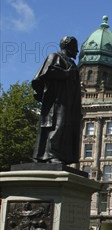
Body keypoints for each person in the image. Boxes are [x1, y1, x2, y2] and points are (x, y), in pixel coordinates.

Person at [31, 36, 82, 164]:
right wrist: (65, 74)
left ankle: (60, 155)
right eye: (75, 47)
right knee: (58, 125)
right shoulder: (54, 56)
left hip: (69, 101)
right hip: (57, 100)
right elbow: (45, 73)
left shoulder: (71, 63)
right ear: (68, 46)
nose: (77, 51)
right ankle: (50, 154)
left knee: (66, 128)